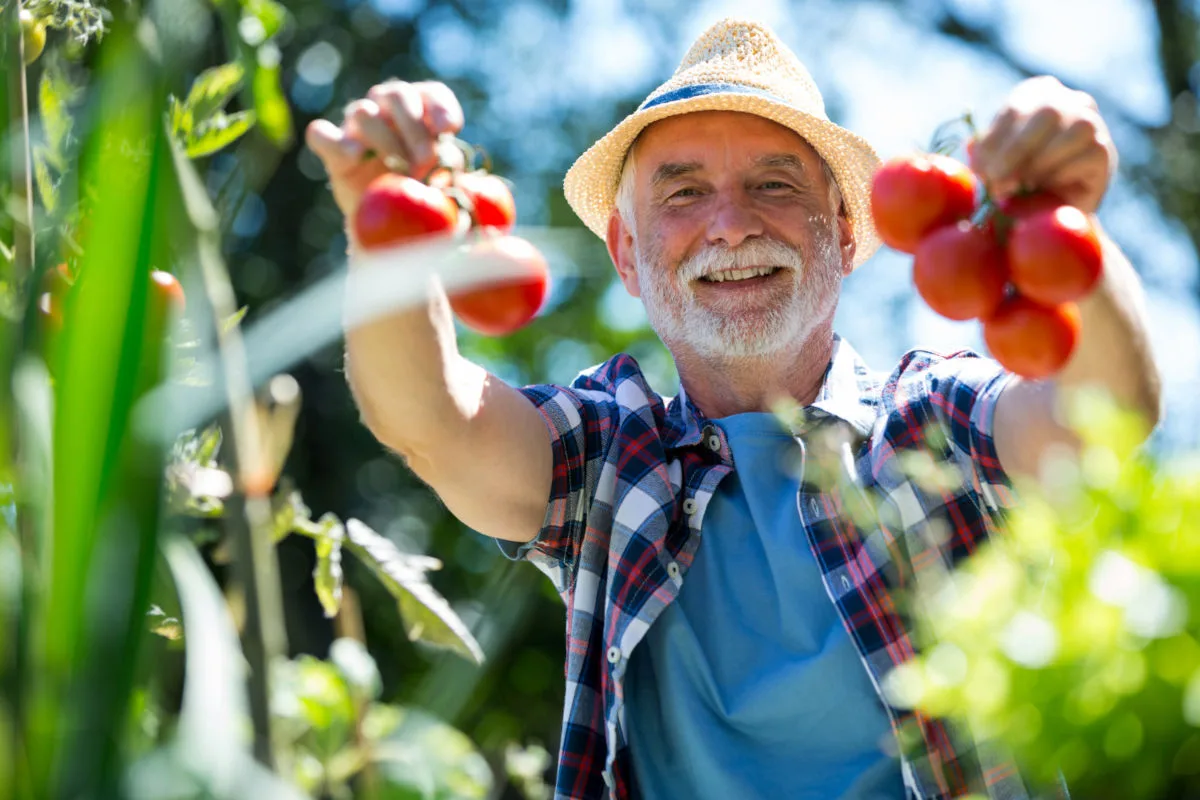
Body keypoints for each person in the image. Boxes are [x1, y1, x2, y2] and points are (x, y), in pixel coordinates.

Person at [306, 17, 1161, 800]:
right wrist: (386, 235)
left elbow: (1103, 414)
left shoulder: (932, 422)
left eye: (774, 184)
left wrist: (1061, 217)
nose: (729, 225)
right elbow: (430, 421)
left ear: (846, 231)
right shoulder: (607, 458)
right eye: (681, 193)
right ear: (628, 254)